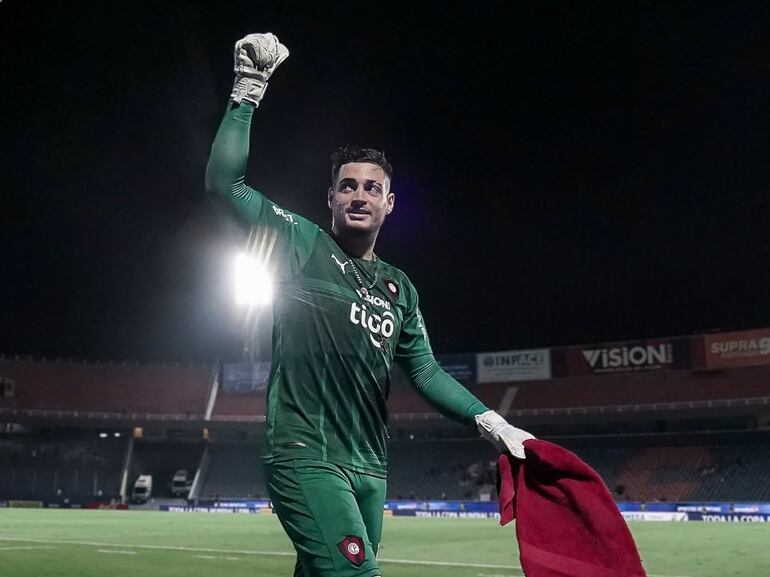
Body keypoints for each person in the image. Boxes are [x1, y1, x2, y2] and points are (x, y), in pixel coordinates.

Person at [206, 32, 535, 577]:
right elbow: (224, 185)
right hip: (305, 453)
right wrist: (248, 90)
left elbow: (425, 371)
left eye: (371, 188)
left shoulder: (399, 288)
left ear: (390, 203)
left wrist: (492, 422)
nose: (359, 195)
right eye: (347, 186)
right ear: (331, 198)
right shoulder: (299, 242)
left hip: (371, 467)